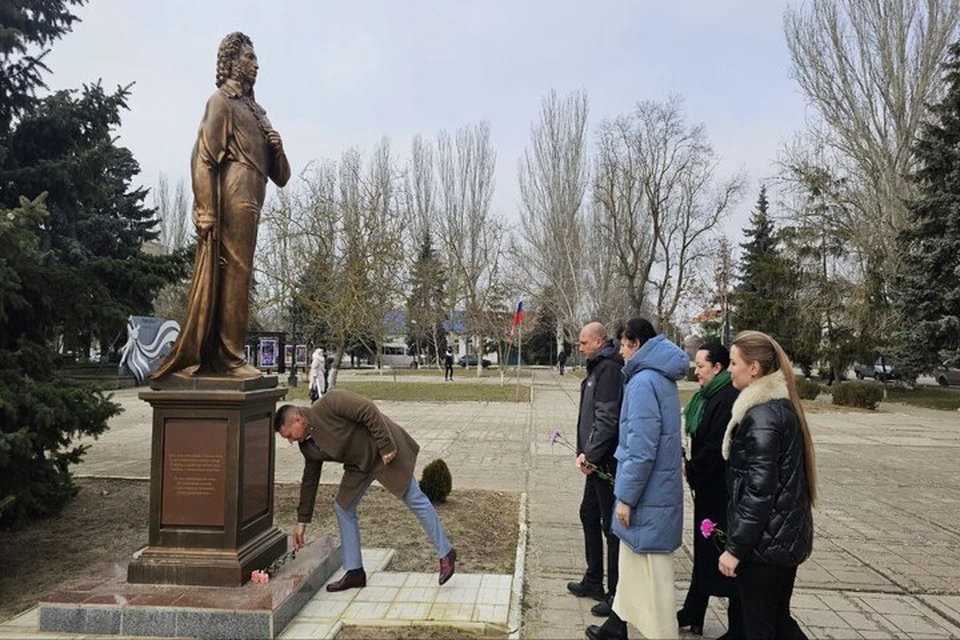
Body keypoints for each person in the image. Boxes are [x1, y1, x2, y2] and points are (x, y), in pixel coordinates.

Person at [154, 32, 290, 379]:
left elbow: (283, 177)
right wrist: (206, 209)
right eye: (248, 57)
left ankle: (226, 354)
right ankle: (229, 358)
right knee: (235, 274)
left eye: (255, 58)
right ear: (230, 63)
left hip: (253, 196)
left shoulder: (258, 113)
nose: (256, 64)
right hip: (233, 195)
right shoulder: (222, 102)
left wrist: (277, 148)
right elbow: (203, 158)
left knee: (239, 276)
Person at [275, 391, 457, 590]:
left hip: (382, 451)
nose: (291, 442)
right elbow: (309, 481)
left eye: (289, 436)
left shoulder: (330, 403)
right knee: (343, 507)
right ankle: (355, 572)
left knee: (414, 498)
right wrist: (302, 522)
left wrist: (386, 445)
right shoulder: (307, 445)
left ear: (298, 419)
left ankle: (446, 553)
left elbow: (367, 409)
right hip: (358, 465)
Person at [587, 318, 687, 640]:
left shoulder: (644, 381)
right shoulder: (659, 377)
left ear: (636, 343)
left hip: (647, 496)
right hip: (656, 491)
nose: (621, 353)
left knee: (652, 580)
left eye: (624, 345)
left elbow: (640, 448)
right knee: (633, 569)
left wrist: (627, 498)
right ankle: (617, 627)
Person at [719, 331, 816, 639]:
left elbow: (759, 492)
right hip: (780, 540)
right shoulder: (777, 409)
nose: (729, 368)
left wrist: (735, 548)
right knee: (778, 621)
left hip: (764, 547)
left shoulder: (762, 417)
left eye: (734, 362)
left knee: (760, 627)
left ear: (755, 368)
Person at [678, 343, 742, 638]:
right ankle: (693, 611)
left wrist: (692, 469)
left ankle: (738, 625)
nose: (696, 371)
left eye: (701, 366)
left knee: (723, 556)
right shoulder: (707, 397)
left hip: (721, 492)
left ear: (717, 368)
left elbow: (717, 447)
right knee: (705, 554)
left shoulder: (727, 398)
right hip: (707, 489)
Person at [566, 323, 623, 617]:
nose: (580, 346)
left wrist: (592, 455)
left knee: (610, 527)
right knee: (588, 514)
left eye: (584, 342)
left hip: (605, 463)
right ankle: (593, 579)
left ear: (599, 341)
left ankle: (615, 593)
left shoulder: (609, 370)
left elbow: (607, 418)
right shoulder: (596, 367)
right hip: (593, 461)